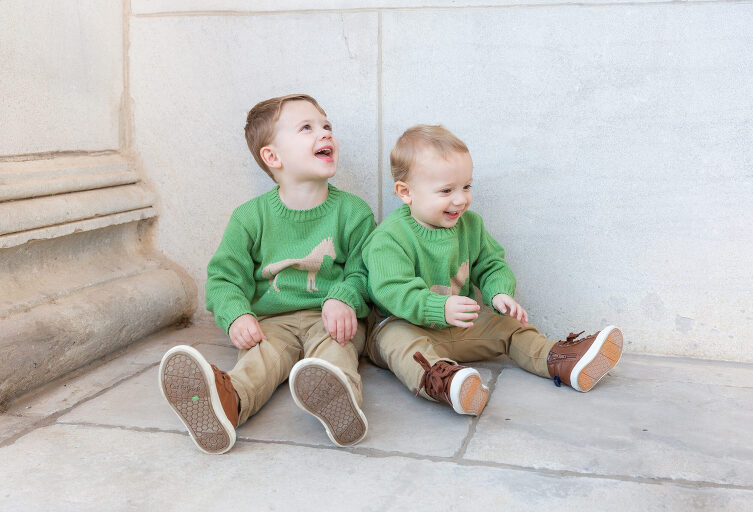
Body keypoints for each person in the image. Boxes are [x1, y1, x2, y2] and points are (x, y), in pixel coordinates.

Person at [159, 94, 375, 453]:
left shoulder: (354, 213)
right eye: (306, 128)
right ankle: (228, 402)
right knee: (260, 358)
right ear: (273, 157)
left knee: (335, 349)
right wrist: (237, 315)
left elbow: (365, 269)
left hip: (332, 316)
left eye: (326, 126)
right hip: (272, 321)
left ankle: (338, 399)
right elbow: (224, 277)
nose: (324, 134)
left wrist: (343, 298)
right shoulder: (250, 217)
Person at [363, 124, 623, 416]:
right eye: (446, 190)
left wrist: (498, 291)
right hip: (403, 325)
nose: (460, 199)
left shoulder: (471, 226)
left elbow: (491, 263)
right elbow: (390, 289)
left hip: (458, 327)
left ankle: (560, 359)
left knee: (509, 327)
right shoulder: (390, 237)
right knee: (400, 345)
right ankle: (445, 383)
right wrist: (438, 307)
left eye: (466, 186)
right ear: (405, 192)